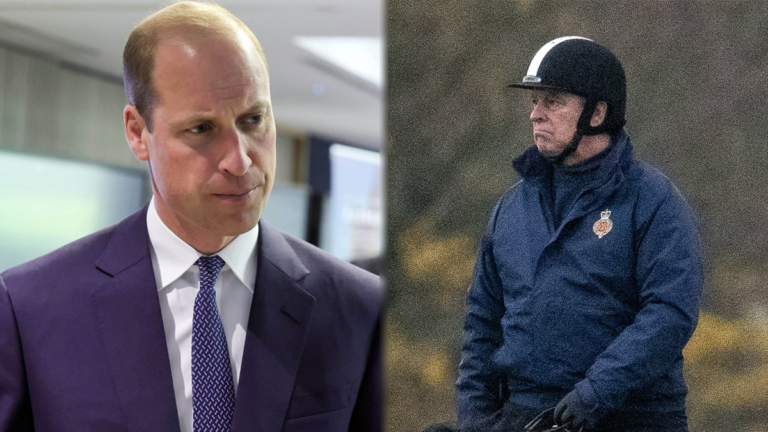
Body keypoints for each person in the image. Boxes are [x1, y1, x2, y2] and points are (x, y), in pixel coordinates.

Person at [0, 2, 382, 431]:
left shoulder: (360, 307)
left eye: (253, 120)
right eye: (201, 129)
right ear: (137, 132)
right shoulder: (29, 307)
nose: (239, 161)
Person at [455, 36, 703, 432]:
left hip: (629, 417)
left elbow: (670, 313)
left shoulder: (654, 201)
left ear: (597, 112)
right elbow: (482, 322)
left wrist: (595, 393)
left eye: (553, 101)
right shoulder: (510, 207)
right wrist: (475, 420)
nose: (536, 114)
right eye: (534, 102)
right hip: (525, 414)